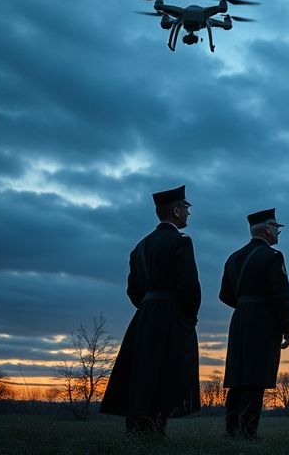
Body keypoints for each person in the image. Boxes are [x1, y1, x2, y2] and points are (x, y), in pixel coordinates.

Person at [101, 185, 202, 435]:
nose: (188, 214)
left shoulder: (141, 246)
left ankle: (137, 427)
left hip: (145, 314)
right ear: (176, 211)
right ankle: (155, 427)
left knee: (143, 371)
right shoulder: (180, 242)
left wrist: (148, 306)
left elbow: (133, 290)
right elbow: (188, 285)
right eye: (186, 209)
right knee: (165, 370)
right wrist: (188, 315)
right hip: (170, 313)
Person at [219, 208, 289, 440]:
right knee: (256, 377)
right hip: (263, 320)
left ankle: (231, 431)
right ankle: (248, 432)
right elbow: (281, 294)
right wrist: (287, 327)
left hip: (240, 317)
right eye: (276, 227)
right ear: (266, 229)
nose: (278, 232)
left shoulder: (233, 257)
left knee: (238, 377)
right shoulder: (273, 256)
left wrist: (245, 306)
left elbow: (225, 295)